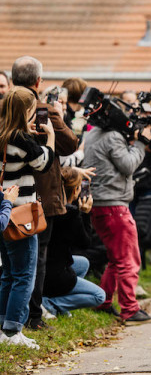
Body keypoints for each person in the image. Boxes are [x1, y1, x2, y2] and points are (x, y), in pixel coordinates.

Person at [12, 56, 79, 331]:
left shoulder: (5, 107)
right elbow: (70, 144)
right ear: (38, 81)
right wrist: (56, 118)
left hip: (8, 195)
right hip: (38, 197)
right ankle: (32, 316)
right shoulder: (41, 109)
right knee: (34, 260)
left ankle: (11, 317)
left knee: (11, 264)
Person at [83, 92, 151, 325]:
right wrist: (140, 144)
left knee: (116, 258)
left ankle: (104, 302)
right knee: (128, 259)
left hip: (100, 204)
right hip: (115, 205)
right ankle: (129, 309)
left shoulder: (93, 134)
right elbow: (127, 166)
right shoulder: (113, 137)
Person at [0, 86, 55, 349]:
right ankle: (12, 331)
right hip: (21, 216)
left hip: (4, 210)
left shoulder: (5, 135)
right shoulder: (20, 139)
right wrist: (51, 138)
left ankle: (3, 326)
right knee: (24, 275)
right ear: (26, 111)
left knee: (8, 274)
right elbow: (44, 163)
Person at [42, 167, 105, 317]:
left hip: (44, 267)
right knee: (99, 296)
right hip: (56, 274)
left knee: (83, 263)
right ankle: (51, 304)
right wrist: (85, 214)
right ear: (76, 190)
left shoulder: (49, 206)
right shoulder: (71, 213)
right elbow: (85, 243)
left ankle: (56, 301)